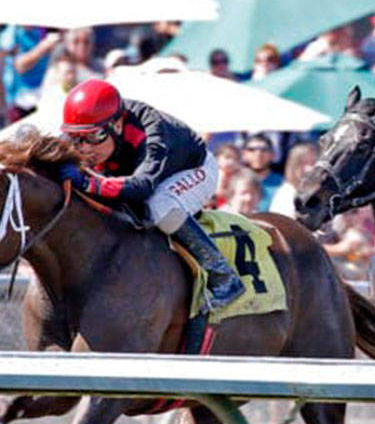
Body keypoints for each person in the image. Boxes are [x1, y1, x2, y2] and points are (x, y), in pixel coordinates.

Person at [56, 78, 244, 309]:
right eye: (77, 138)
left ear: (116, 125)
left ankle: (222, 274)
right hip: (139, 174)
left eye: (94, 137)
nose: (84, 148)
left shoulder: (152, 129)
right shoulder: (87, 131)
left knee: (159, 205)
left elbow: (142, 186)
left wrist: (88, 183)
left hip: (193, 169)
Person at [269, 142, 318, 217]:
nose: (309, 169)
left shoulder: (325, 192)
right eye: (303, 163)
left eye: (313, 163)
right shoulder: (285, 194)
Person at [239, 134, 284, 211]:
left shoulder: (283, 183)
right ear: (244, 154)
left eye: (264, 150)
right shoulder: (235, 181)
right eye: (251, 149)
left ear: (273, 155)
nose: (258, 154)